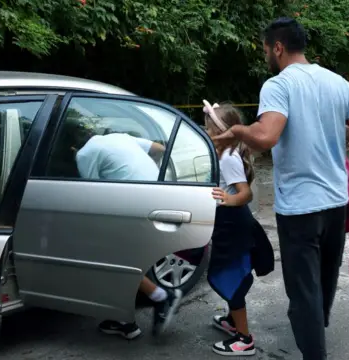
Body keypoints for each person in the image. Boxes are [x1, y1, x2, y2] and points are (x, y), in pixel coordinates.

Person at [212, 17, 349, 359]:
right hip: (336, 205)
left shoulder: (278, 85)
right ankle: (315, 329)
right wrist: (331, 131)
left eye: (265, 50)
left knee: (303, 293)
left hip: (301, 209)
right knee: (322, 282)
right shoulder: (337, 82)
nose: (265, 57)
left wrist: (240, 132)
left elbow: (266, 137)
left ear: (278, 47)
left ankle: (313, 349)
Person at [68, 123, 183, 339]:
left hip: (134, 203)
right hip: (158, 196)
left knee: (109, 258)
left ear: (73, 147)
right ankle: (125, 320)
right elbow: (159, 148)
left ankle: (159, 297)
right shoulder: (121, 136)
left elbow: (90, 194)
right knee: (125, 258)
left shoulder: (84, 154)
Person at [202, 100, 273, 356]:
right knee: (227, 273)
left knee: (231, 276)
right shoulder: (222, 154)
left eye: (209, 128)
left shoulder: (229, 159)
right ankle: (233, 323)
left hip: (233, 224)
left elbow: (245, 194)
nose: (206, 132)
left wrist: (228, 199)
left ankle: (245, 339)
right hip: (229, 224)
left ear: (224, 132)